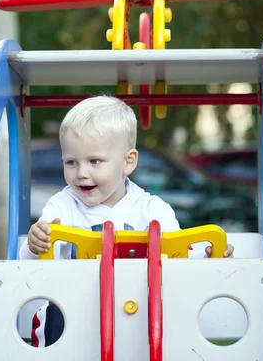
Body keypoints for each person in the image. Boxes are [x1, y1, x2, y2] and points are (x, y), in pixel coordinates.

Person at [19, 95, 234, 347]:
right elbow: (29, 264)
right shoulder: (62, 206)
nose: (81, 173)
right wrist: (35, 244)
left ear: (128, 161)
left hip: (139, 317)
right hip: (70, 315)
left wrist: (209, 258)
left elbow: (181, 261)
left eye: (94, 161)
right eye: (71, 162)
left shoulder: (153, 210)